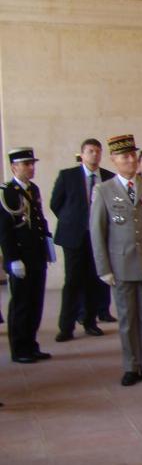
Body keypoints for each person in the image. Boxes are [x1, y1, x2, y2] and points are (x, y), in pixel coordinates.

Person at [90, 135, 142, 386]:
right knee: (126, 318)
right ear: (114, 160)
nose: (131, 160)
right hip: (121, 263)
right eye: (124, 156)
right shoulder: (104, 190)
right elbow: (97, 231)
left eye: (132, 155)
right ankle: (130, 365)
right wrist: (104, 268)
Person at [51, 138, 114, 341]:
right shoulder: (68, 176)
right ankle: (66, 327)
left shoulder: (108, 177)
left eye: (97, 151)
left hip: (98, 238)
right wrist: (74, 221)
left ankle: (90, 322)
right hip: (74, 237)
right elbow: (56, 204)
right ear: (82, 154)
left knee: (94, 281)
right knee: (73, 281)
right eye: (90, 151)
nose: (94, 154)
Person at [0, 148, 53, 363]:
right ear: (14, 167)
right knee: (21, 305)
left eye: (32, 164)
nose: (31, 168)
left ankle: (31, 344)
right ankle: (19, 349)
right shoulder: (7, 192)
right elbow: (4, 230)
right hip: (21, 258)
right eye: (26, 164)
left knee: (35, 303)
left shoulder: (33, 189)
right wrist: (12, 259)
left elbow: (38, 222)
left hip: (37, 257)